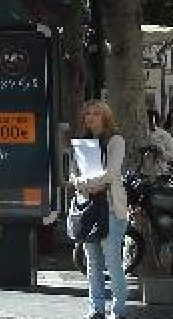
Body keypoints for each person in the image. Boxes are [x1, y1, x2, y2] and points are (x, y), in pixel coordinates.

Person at [70, 100, 127, 319]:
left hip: (111, 209)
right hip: (87, 208)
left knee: (112, 262)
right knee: (93, 263)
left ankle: (118, 311)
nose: (91, 117)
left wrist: (85, 182)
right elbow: (72, 175)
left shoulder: (115, 140)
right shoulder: (81, 143)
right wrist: (85, 184)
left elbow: (111, 174)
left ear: (105, 117)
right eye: (88, 114)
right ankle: (96, 309)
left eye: (96, 113)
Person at [147, 110, 173, 176]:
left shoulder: (165, 135)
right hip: (142, 169)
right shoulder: (142, 133)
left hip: (159, 170)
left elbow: (171, 155)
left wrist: (161, 152)